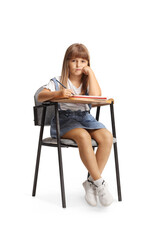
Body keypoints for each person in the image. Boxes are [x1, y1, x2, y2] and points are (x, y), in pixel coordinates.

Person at [38, 43, 114, 207]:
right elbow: (40, 96)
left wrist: (91, 73)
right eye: (74, 61)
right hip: (64, 120)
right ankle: (100, 184)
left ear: (87, 64)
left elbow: (96, 96)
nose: (78, 65)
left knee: (107, 136)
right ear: (67, 63)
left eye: (82, 61)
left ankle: (90, 182)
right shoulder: (58, 81)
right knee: (82, 135)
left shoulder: (87, 82)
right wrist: (58, 93)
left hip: (85, 118)